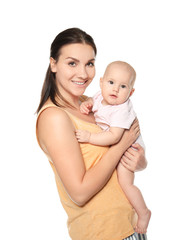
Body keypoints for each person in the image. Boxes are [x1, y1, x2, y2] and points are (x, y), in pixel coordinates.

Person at [36, 27, 148, 240]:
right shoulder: (55, 117)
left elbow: (130, 146)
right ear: (53, 64)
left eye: (89, 63)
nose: (83, 73)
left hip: (130, 226)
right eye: (72, 63)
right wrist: (121, 145)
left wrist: (139, 161)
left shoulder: (94, 103)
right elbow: (79, 193)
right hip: (101, 234)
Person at [76, 61, 151, 234]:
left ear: (131, 92)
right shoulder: (100, 96)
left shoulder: (121, 110)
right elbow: (92, 101)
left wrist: (89, 137)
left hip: (129, 148)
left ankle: (143, 212)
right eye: (111, 83)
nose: (115, 89)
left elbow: (115, 136)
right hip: (121, 145)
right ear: (101, 82)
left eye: (123, 86)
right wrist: (86, 103)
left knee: (125, 184)